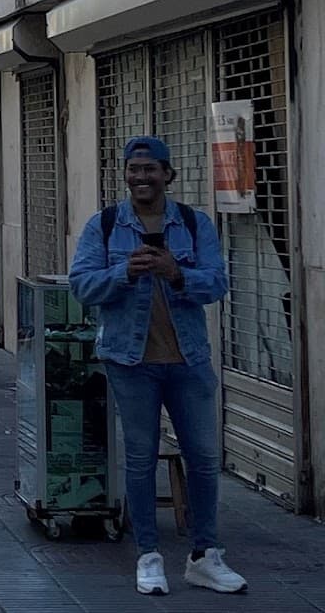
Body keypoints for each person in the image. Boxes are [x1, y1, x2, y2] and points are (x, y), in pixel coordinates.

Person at [69, 135, 245, 596]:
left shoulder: (193, 223)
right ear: (125, 174)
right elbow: (82, 286)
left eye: (151, 169)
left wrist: (176, 273)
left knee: (205, 459)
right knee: (141, 460)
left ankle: (205, 555)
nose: (142, 176)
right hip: (130, 362)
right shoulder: (105, 226)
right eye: (134, 169)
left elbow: (217, 284)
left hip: (188, 360)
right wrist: (123, 273)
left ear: (168, 174)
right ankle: (149, 556)